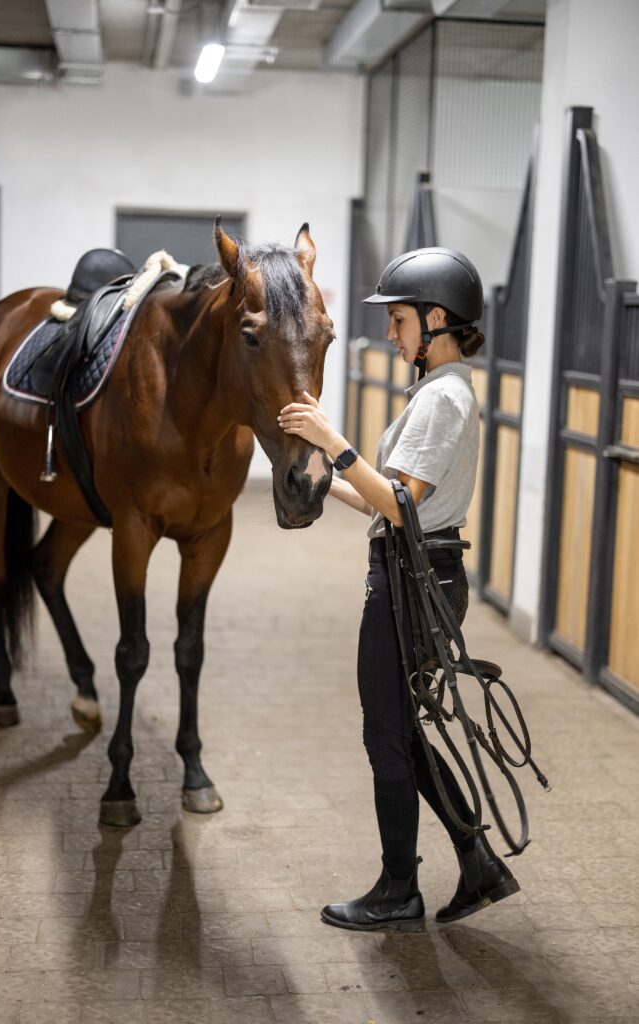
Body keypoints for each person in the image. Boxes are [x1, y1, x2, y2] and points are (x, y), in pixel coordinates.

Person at [277, 247, 519, 931]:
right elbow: (390, 504)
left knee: (385, 736)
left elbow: (404, 506)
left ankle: (397, 890)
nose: (391, 333)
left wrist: (335, 441)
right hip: (411, 567)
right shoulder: (436, 394)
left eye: (399, 320)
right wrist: (332, 476)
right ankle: (475, 862)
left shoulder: (444, 398)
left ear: (436, 318)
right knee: (398, 732)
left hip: (413, 578)